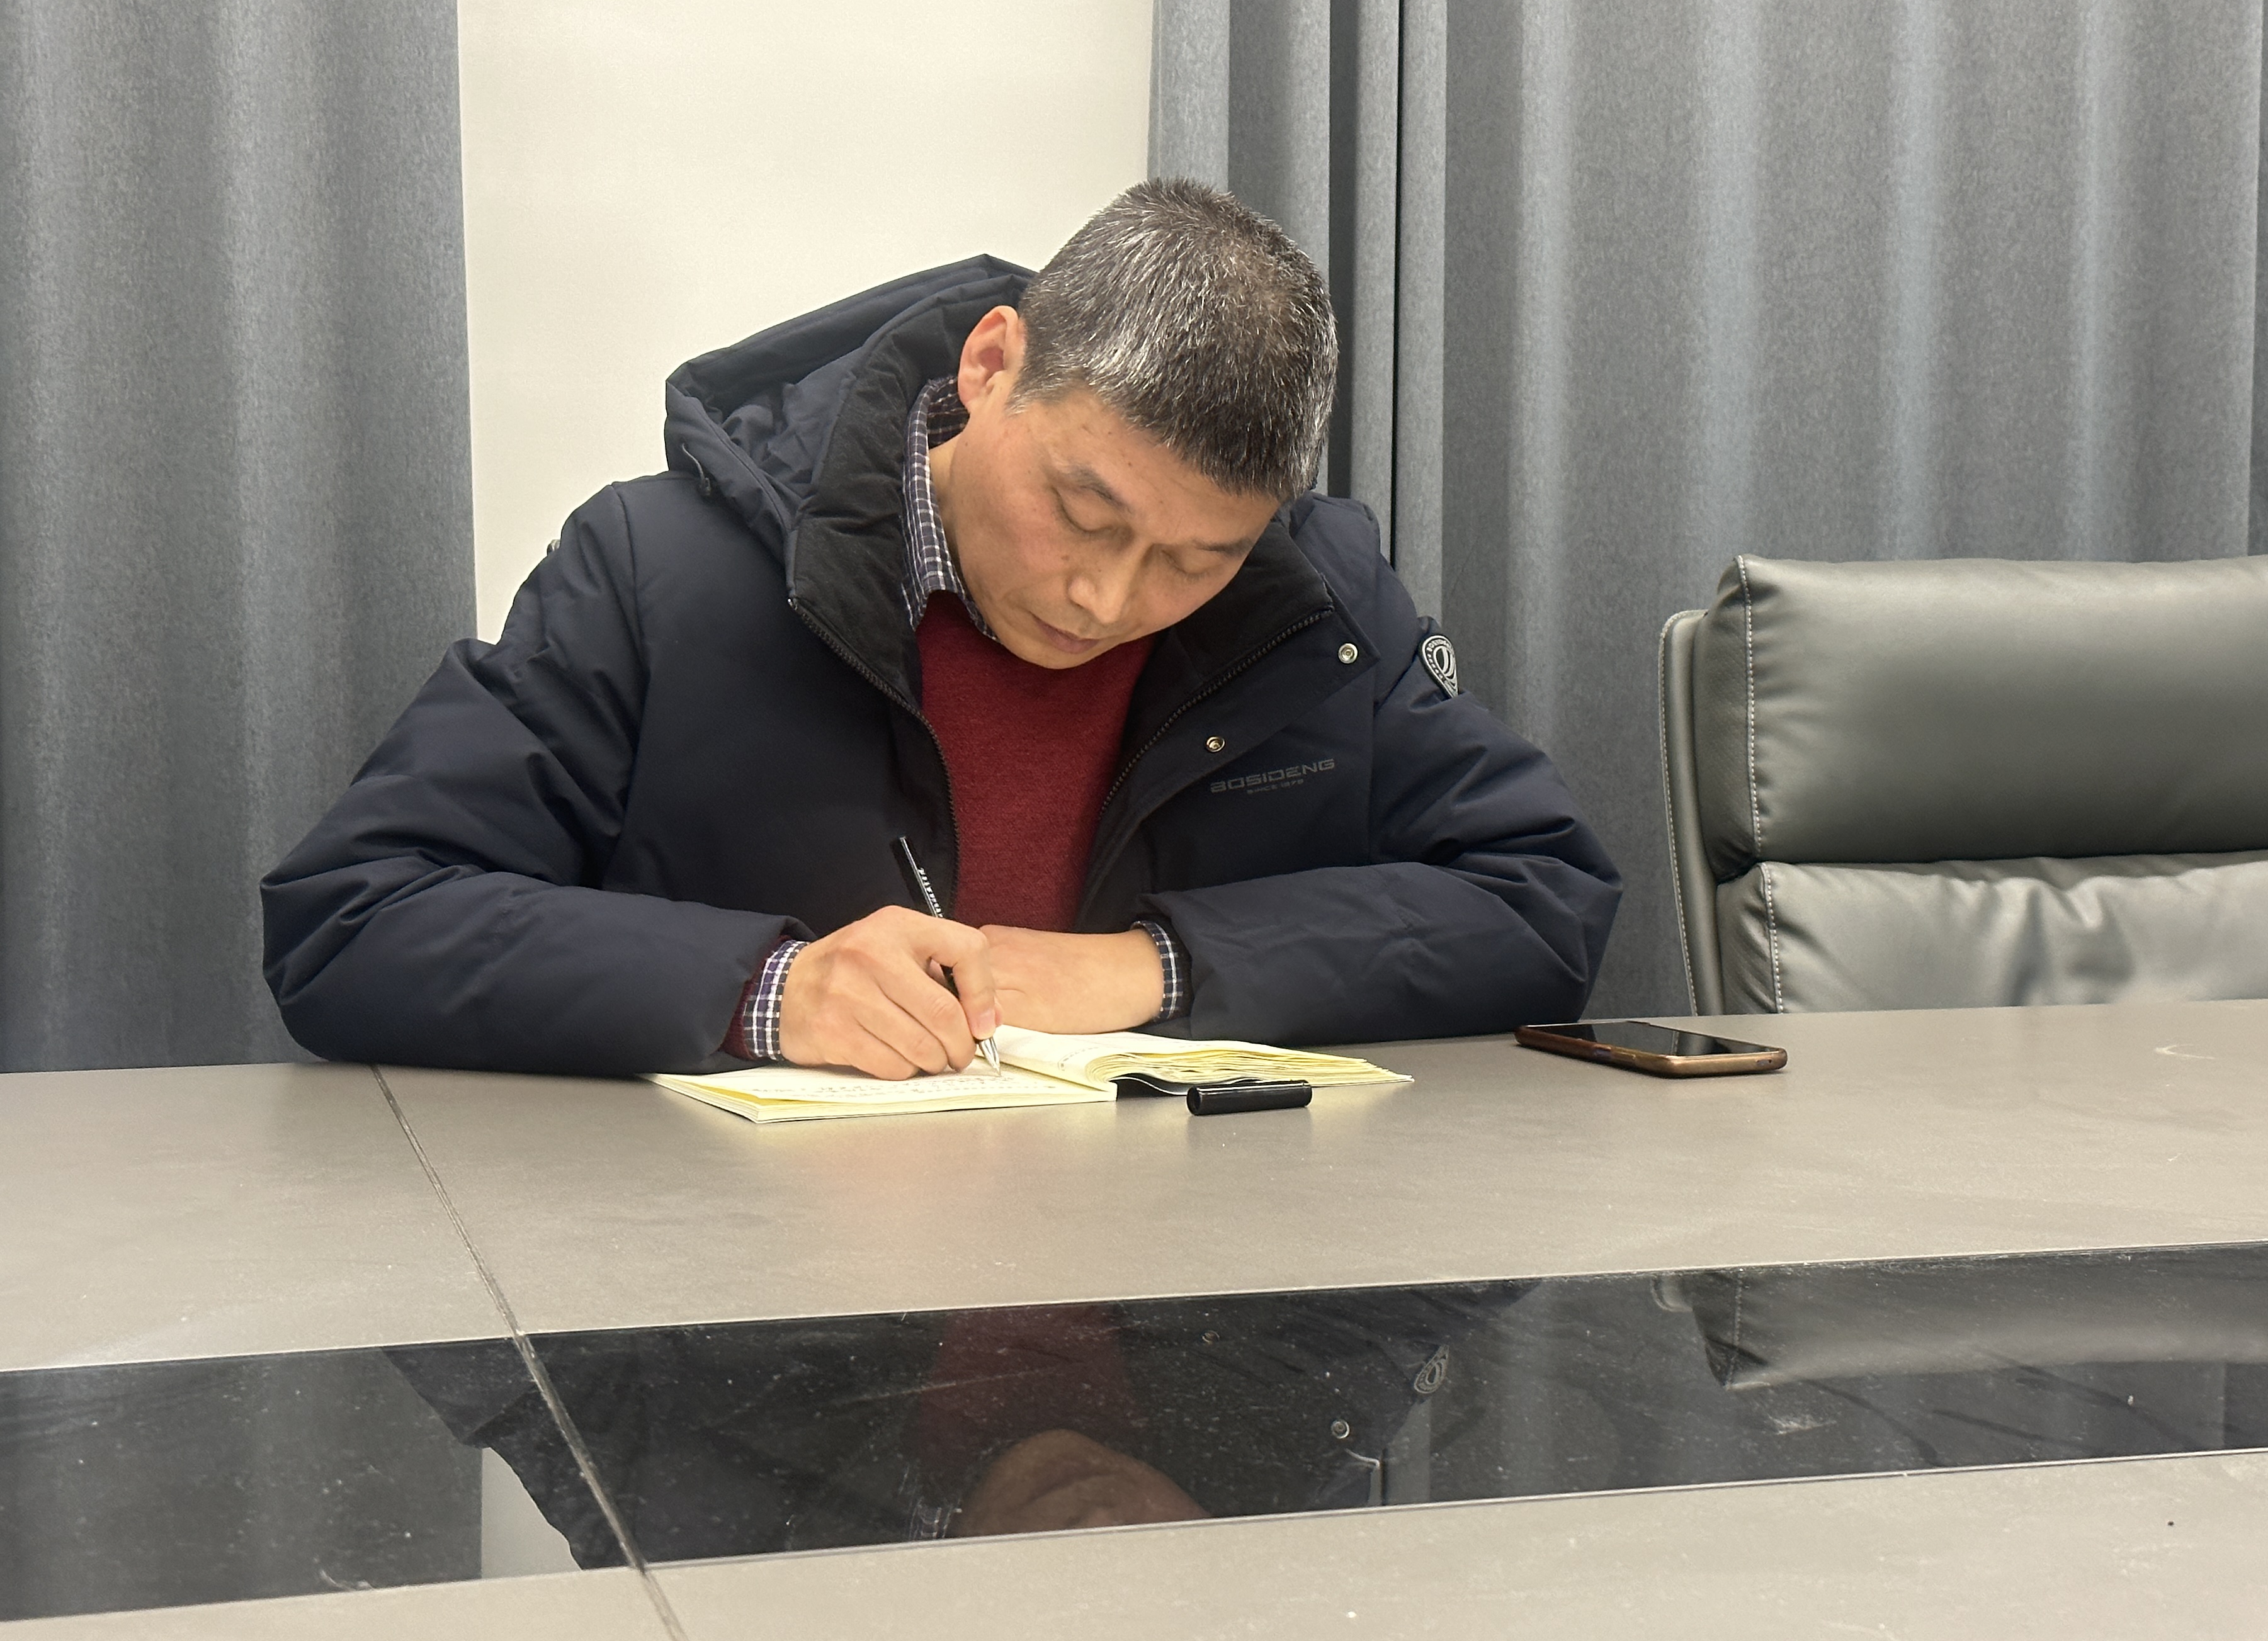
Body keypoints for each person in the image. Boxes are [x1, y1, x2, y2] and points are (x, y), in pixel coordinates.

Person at [262, 180, 1619, 1078]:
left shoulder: (1316, 605)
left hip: (1199, 1322)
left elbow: (1540, 902)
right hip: (747, 1339)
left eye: (1194, 560)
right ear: (990, 365)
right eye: (1082, 512)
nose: (1107, 601)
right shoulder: (657, 572)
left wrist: (1155, 969)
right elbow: (356, 920)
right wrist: (766, 990)